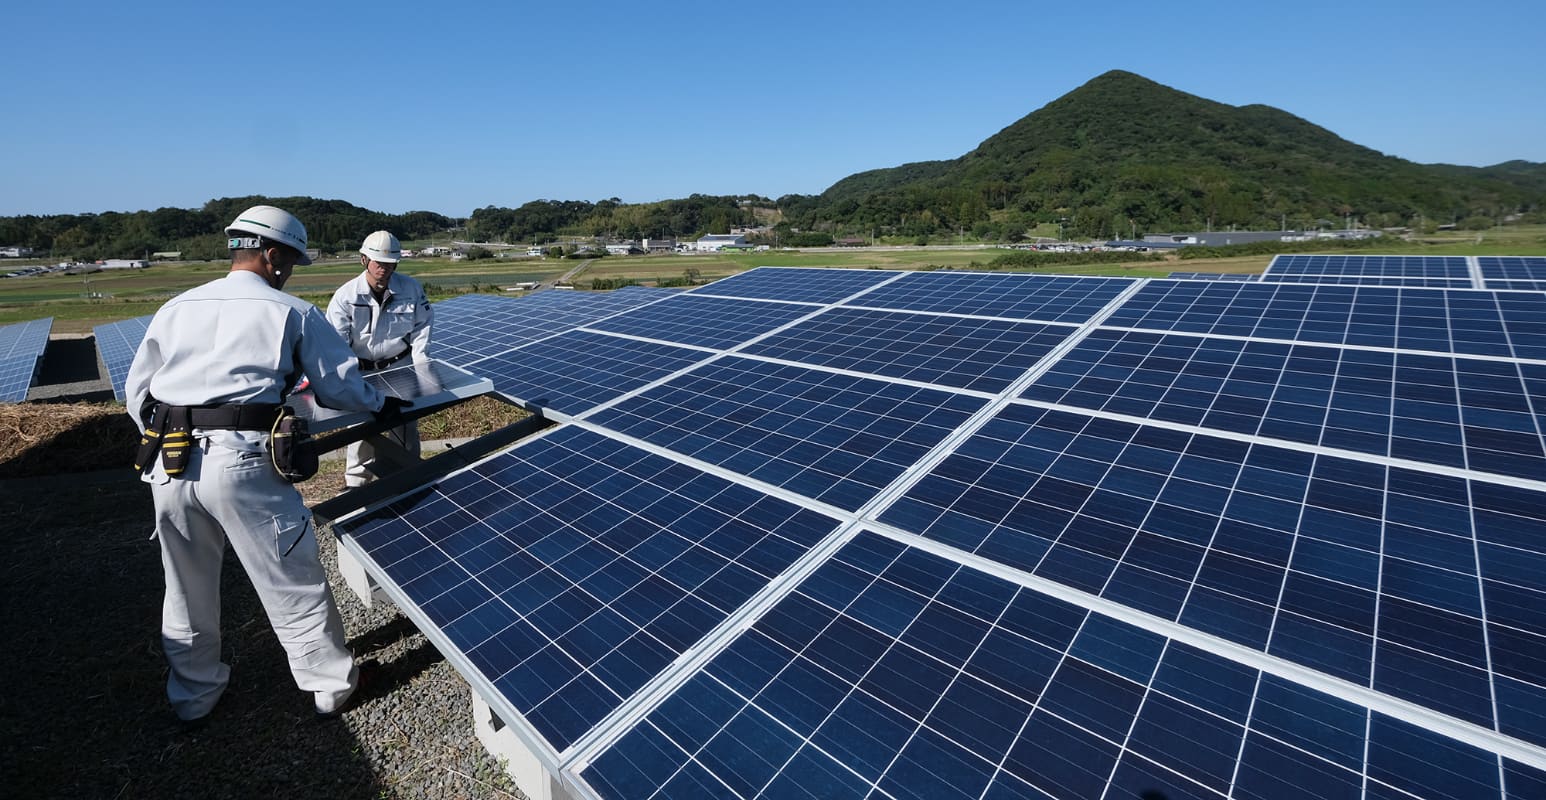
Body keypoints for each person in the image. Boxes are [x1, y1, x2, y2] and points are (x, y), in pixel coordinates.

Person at [126, 205, 403, 725]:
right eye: (291, 260)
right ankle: (331, 689)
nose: (291, 270)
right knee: (290, 578)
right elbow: (338, 386)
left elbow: (137, 394)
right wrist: (378, 401)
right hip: (242, 464)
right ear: (272, 255)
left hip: (168, 460)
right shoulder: (290, 312)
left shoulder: (177, 306)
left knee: (184, 583)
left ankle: (194, 695)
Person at [326, 230, 433, 488]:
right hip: (362, 372)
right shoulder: (346, 296)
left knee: (406, 427)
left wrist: (423, 371)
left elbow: (422, 329)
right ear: (364, 260)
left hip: (400, 366)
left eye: (390, 263)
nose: (384, 268)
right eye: (378, 262)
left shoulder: (411, 289)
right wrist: (345, 379)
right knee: (361, 431)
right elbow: (337, 344)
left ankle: (406, 480)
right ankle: (356, 485)